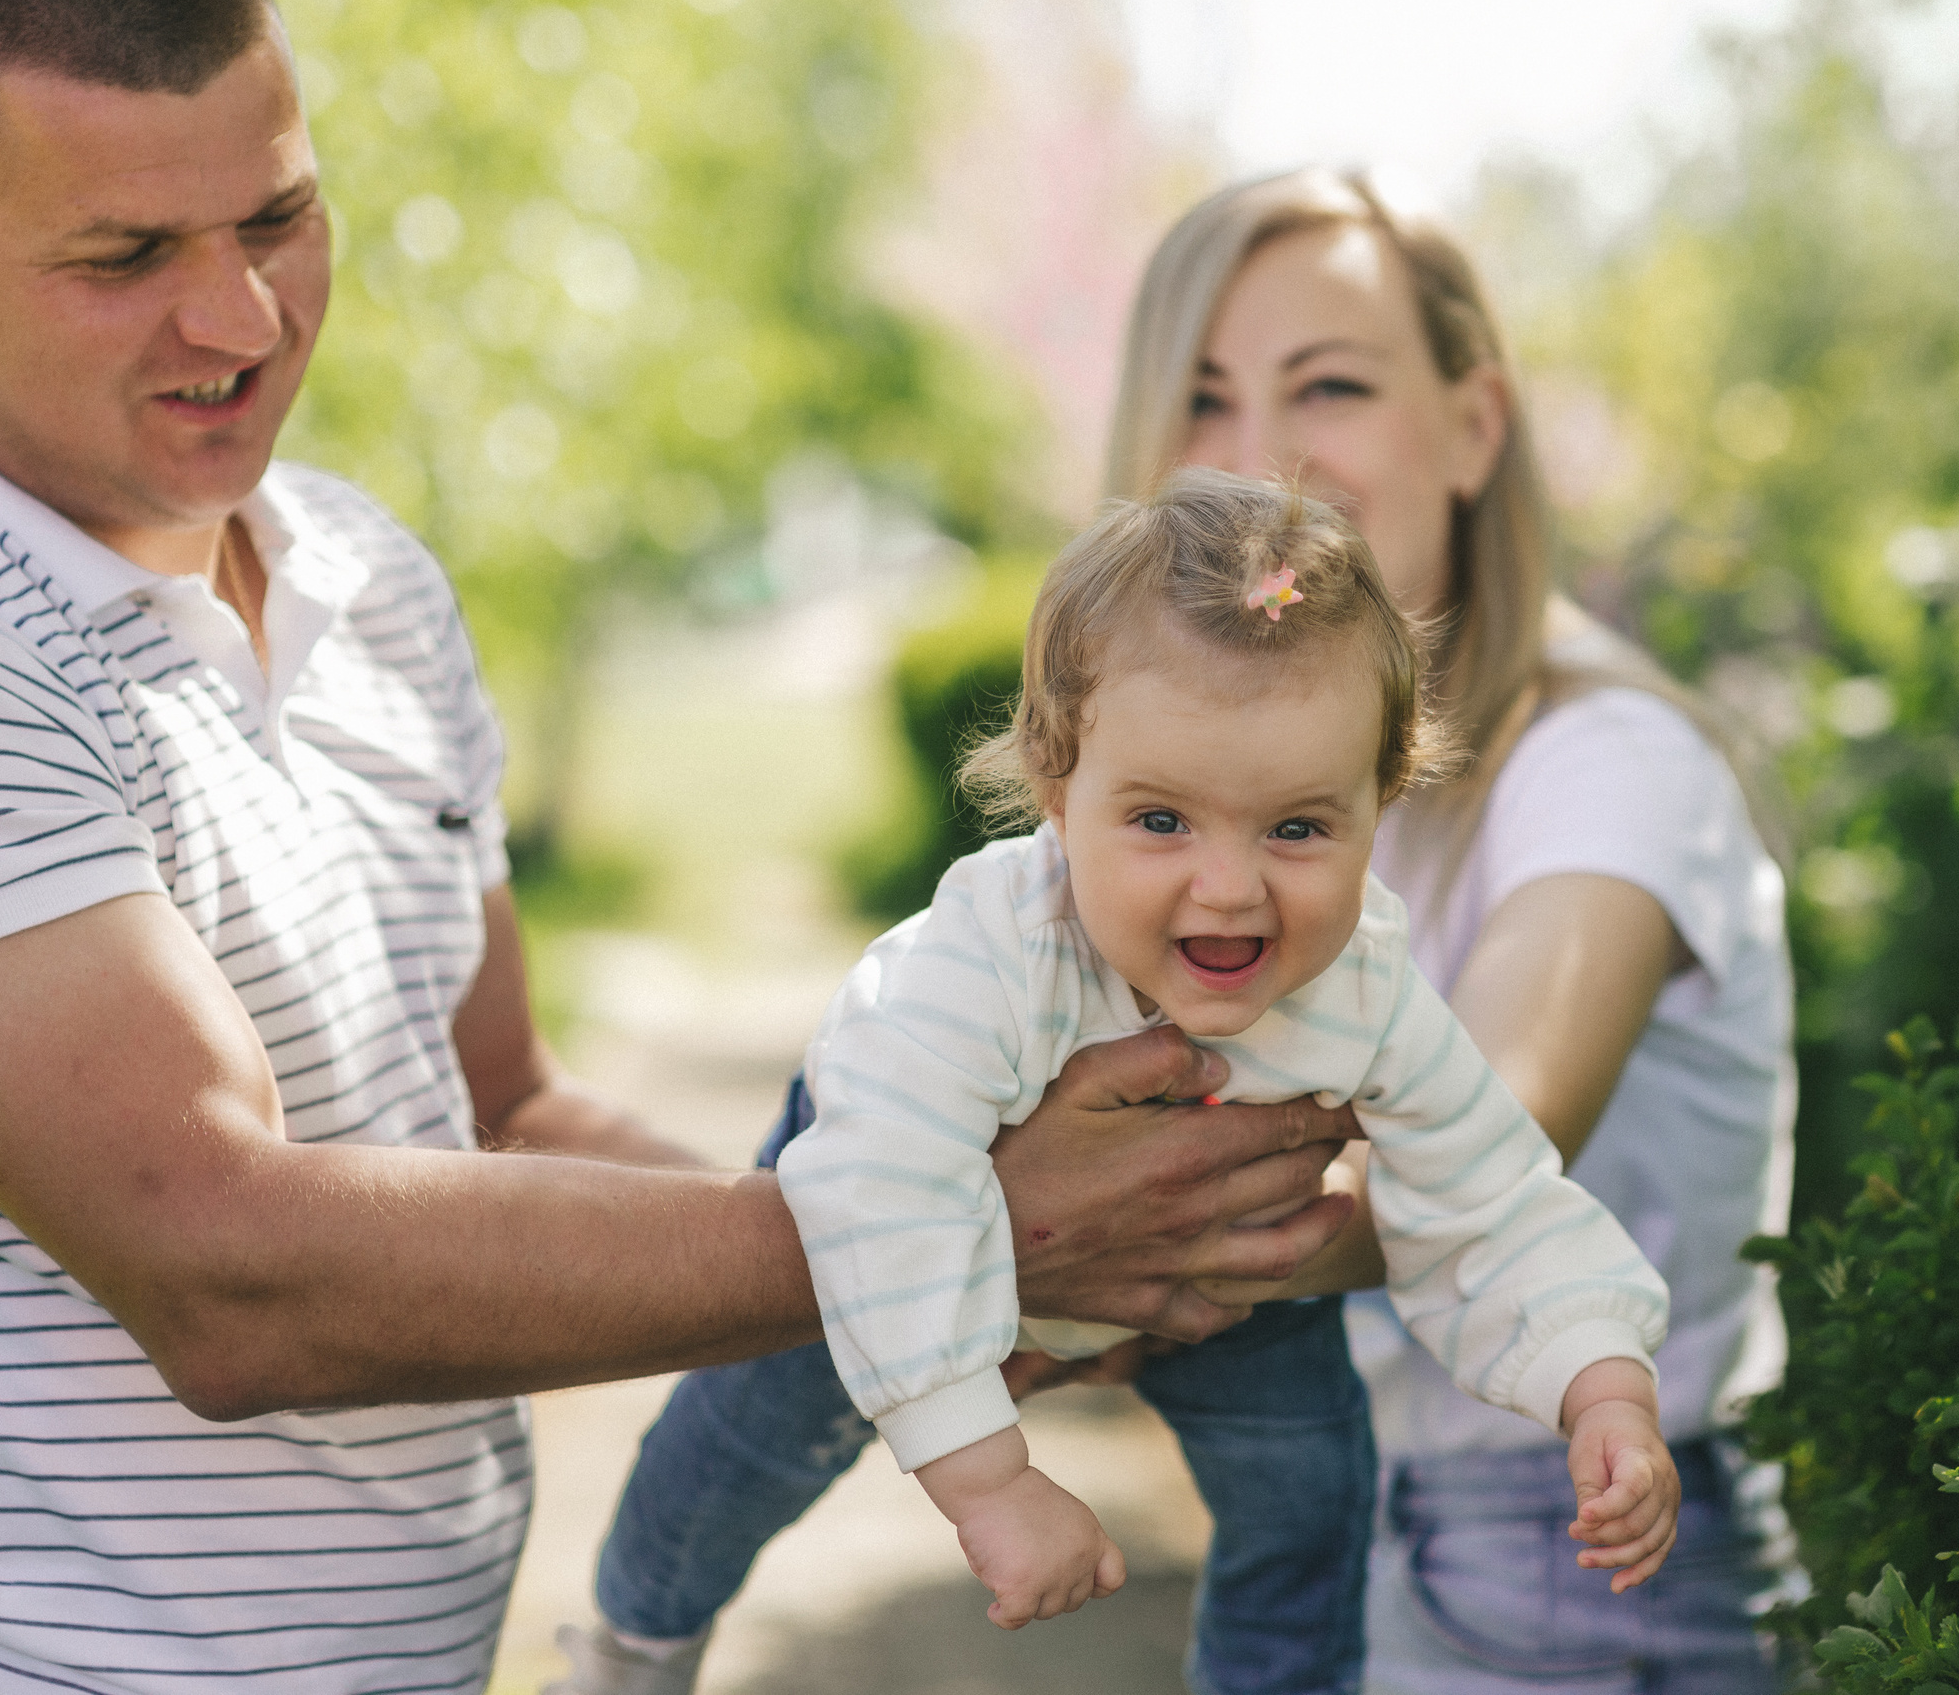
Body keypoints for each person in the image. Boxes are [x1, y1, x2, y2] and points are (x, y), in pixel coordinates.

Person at [0, 0, 1359, 1689]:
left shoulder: (363, 573)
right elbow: (228, 1270)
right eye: (125, 250)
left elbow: (501, 1103)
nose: (238, 313)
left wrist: (965, 1285)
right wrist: (957, 1233)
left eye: (280, 216)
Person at [560, 472, 1680, 1695]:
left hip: (1214, 1267)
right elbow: (884, 1190)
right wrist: (990, 1480)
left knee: (1308, 1487)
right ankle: (633, 1643)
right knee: (743, 1440)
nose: (1229, 888)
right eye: (1160, 821)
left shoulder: (1361, 984)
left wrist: (1599, 1378)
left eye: (1299, 828)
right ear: (1057, 784)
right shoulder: (982, 961)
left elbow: (1489, 1190)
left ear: (1381, 802)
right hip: (894, 1204)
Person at [1106, 170, 1804, 1694]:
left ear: (1475, 426)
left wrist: (1094, 1250)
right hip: (1359, 1533)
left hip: (1577, 1558)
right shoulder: (1296, 796)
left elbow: (1484, 1132)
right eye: (1202, 397)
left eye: (1330, 386)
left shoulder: (1604, 759)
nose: (1258, 461)